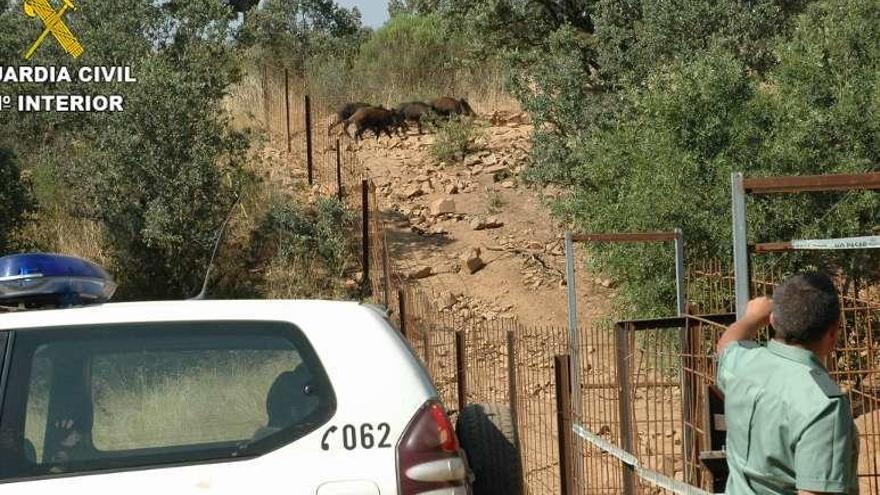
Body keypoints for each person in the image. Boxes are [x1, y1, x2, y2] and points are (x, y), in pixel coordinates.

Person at [715, 272, 859, 494]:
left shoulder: (743, 365)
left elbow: (726, 344)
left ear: (772, 320)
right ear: (833, 332)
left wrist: (752, 317)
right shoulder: (823, 405)